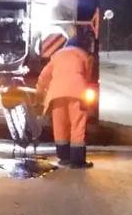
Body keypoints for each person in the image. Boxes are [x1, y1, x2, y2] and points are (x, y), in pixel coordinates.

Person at [35, 33, 95, 169]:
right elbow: (88, 77)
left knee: (60, 125)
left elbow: (44, 76)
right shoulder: (85, 56)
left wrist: (39, 92)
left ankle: (64, 158)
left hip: (56, 95)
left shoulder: (57, 56)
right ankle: (77, 160)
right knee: (77, 125)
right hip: (77, 93)